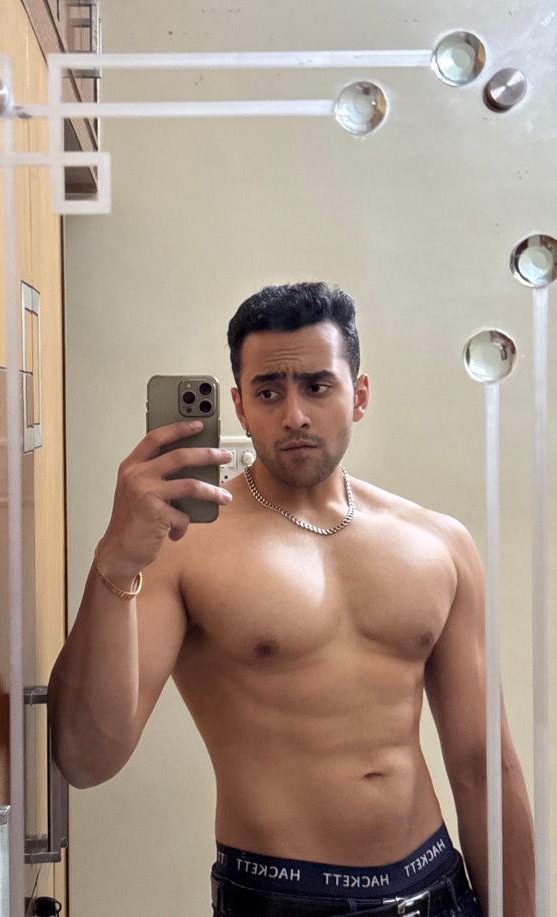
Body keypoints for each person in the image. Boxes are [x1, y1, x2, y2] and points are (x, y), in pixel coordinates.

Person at [48, 282, 535, 916]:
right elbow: (85, 758)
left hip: (438, 887)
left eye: (318, 386)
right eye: (269, 392)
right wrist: (116, 557)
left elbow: (484, 768)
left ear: (359, 395)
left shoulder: (439, 543)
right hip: (281, 898)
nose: (295, 415)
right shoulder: (181, 546)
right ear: (239, 407)